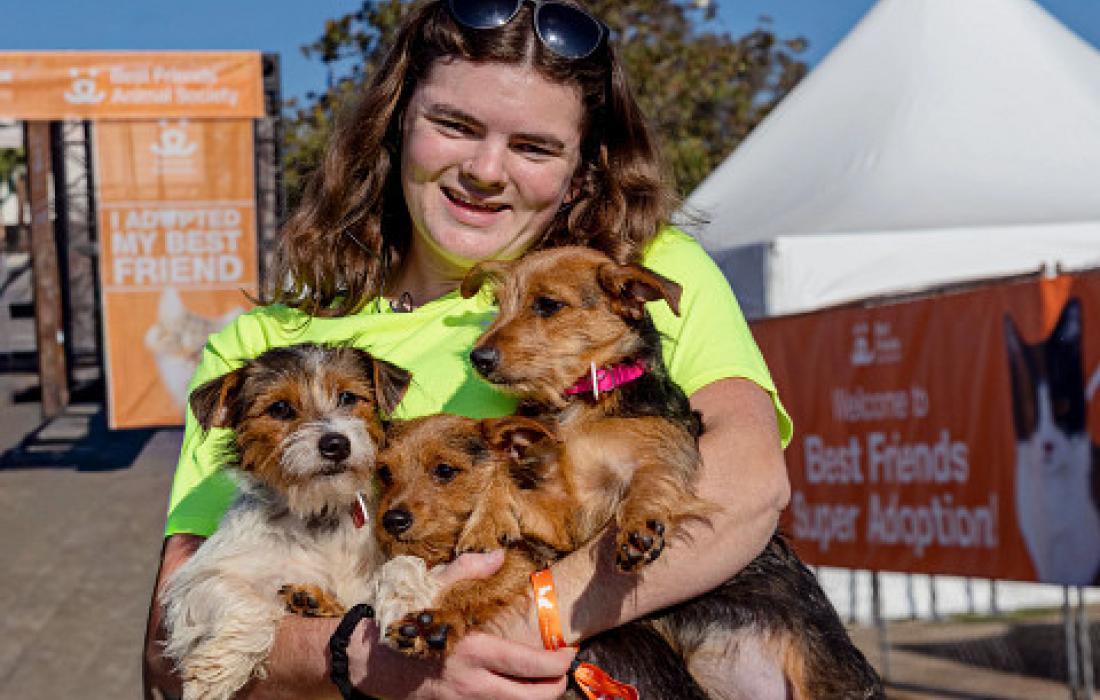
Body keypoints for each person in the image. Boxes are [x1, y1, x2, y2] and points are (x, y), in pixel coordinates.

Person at [142, 1, 793, 698]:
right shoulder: (267, 347)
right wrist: (364, 659)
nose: (486, 169)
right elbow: (165, 658)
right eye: (455, 126)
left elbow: (750, 487)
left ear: (580, 169)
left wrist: (513, 622)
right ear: (396, 126)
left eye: (534, 147)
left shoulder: (621, 278)